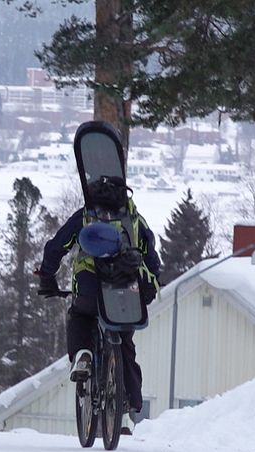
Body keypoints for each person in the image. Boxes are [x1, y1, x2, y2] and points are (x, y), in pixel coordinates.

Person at [35, 175, 161, 419]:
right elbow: (150, 252)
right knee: (124, 339)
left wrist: (47, 277)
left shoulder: (85, 215)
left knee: (81, 315)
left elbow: (57, 246)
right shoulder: (134, 217)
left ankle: (82, 353)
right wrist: (154, 280)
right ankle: (129, 402)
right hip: (126, 288)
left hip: (89, 284)